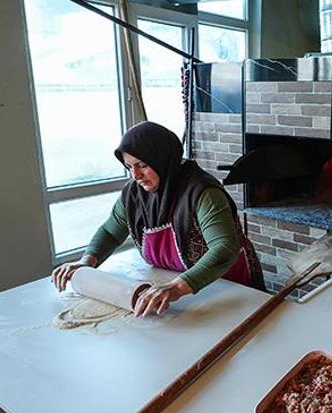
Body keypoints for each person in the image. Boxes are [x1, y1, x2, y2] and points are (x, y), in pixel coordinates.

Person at [52, 121, 264, 316]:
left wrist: (177, 287)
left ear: (162, 160)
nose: (135, 175)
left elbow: (224, 247)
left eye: (142, 165)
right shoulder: (133, 195)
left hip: (231, 285)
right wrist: (86, 262)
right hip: (182, 285)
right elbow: (110, 231)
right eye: (129, 167)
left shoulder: (202, 192)